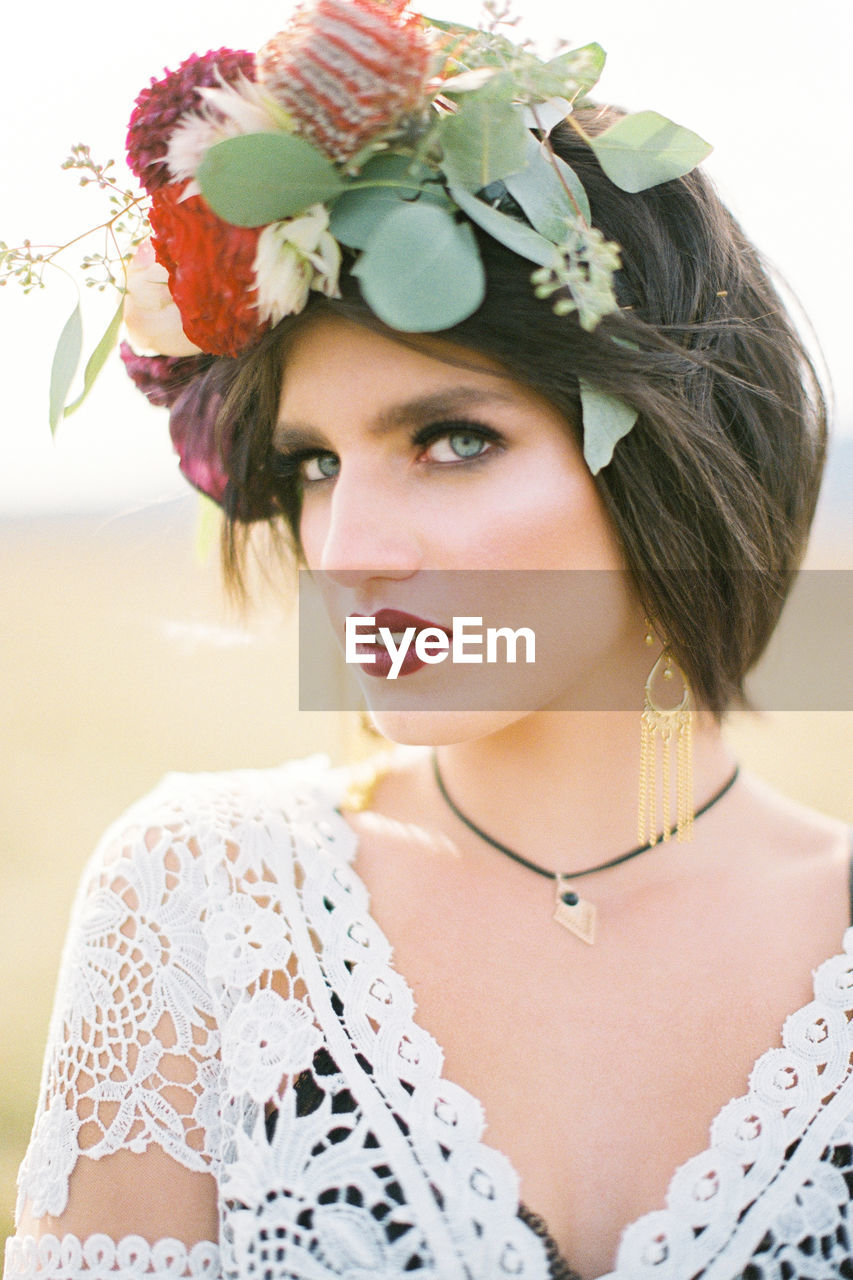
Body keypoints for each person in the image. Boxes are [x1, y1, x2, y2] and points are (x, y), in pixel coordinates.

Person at [4, 2, 851, 1278]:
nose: (348, 549)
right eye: (314, 464)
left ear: (671, 453)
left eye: (451, 438)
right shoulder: (202, 900)